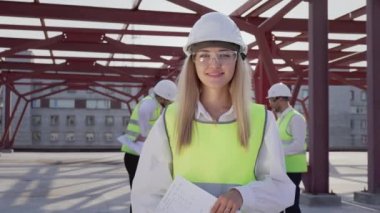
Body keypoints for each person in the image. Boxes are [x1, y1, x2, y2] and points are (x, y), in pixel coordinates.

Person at [131, 12, 295, 213]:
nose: (214, 64)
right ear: (193, 62)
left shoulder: (262, 120)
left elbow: (281, 189)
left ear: (238, 61)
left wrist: (242, 195)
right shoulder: (171, 119)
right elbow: (147, 195)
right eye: (204, 55)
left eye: (225, 54)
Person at [121, 79, 177, 191]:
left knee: (142, 190)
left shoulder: (156, 105)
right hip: (135, 156)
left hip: (138, 154)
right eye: (169, 100)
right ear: (162, 98)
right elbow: (143, 112)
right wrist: (144, 133)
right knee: (138, 191)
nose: (170, 103)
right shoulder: (149, 103)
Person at [267, 82, 308, 213]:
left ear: (280, 99)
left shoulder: (296, 118)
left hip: (292, 170)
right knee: (279, 205)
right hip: (282, 169)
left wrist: (276, 153)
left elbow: (298, 145)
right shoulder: (280, 120)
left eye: (271, 100)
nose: (270, 104)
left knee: (291, 207)